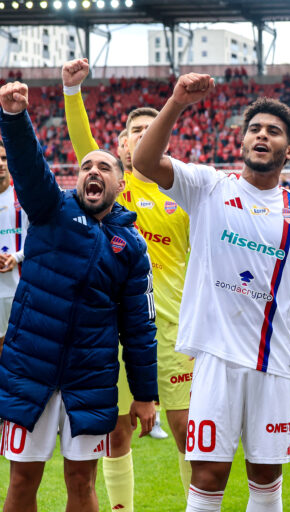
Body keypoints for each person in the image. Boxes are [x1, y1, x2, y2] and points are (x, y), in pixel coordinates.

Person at [132, 72, 290, 512]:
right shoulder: (210, 186)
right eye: (254, 129)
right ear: (243, 142)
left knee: (266, 478)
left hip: (274, 363)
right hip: (215, 359)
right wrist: (175, 103)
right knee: (208, 476)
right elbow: (145, 162)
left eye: (273, 131)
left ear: (289, 151)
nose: (261, 135)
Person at [0, 81, 157, 512]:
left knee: (81, 485)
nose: (94, 171)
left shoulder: (132, 247)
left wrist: (144, 394)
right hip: (29, 370)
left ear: (120, 186)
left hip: (90, 379)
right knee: (21, 484)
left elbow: (140, 328)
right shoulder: (52, 209)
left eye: (105, 168)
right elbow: (29, 166)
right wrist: (14, 118)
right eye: (87, 165)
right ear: (77, 177)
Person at [62, 56, 193, 510]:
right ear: (120, 148)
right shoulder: (115, 190)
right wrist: (73, 94)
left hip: (174, 332)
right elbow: (84, 144)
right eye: (135, 131)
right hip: (114, 332)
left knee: (185, 431)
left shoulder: (184, 195)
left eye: (152, 130)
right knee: (116, 432)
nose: (143, 136)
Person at [0, 140, 27, 356]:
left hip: (21, 287)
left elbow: (36, 239)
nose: (0, 163)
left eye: (3, 158)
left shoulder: (24, 197)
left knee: (22, 346)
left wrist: (16, 258)